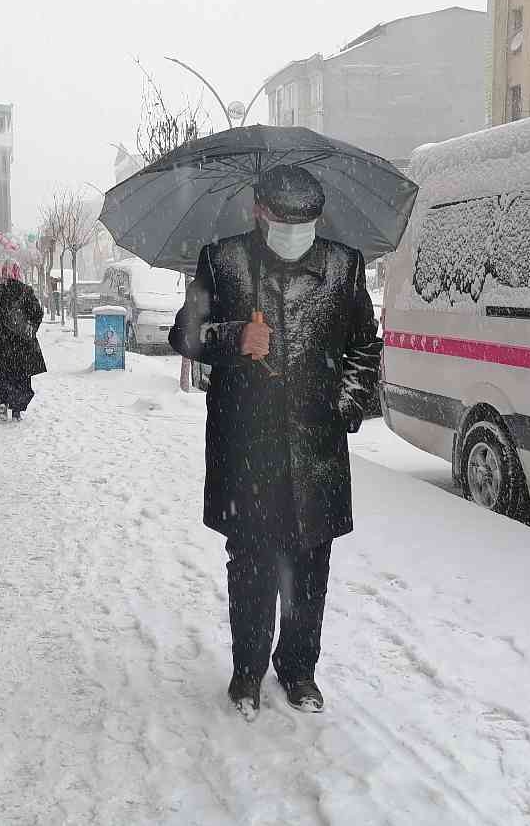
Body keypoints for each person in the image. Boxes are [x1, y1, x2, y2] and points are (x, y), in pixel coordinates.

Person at [168, 164, 382, 720]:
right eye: (284, 218)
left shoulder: (343, 265)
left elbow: (365, 345)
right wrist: (237, 336)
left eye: (306, 219)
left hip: (318, 450)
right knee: (252, 566)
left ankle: (300, 670)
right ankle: (247, 673)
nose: (295, 229)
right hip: (247, 447)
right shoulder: (224, 261)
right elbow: (185, 334)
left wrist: (346, 404)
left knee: (311, 569)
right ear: (260, 212)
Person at [0, 263, 46, 421]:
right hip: (21, 344)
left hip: (3, 341)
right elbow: (38, 313)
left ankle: (3, 402)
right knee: (21, 375)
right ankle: (17, 410)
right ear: (19, 274)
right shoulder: (26, 291)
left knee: (5, 374)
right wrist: (30, 328)